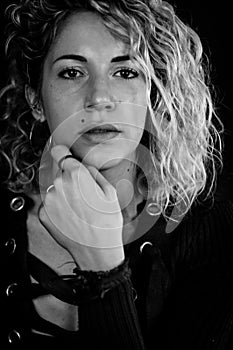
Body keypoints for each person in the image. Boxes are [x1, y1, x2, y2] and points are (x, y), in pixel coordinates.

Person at [0, 0, 233, 348]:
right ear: (36, 99)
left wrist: (103, 270)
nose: (99, 97)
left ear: (152, 94)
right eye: (72, 72)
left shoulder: (211, 233)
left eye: (125, 72)